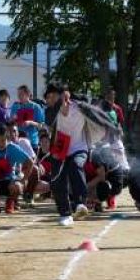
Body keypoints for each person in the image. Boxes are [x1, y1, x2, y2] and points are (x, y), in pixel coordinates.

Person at [49, 91, 89, 226]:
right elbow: (53, 131)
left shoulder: (81, 110)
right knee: (57, 180)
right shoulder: (55, 112)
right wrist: (53, 149)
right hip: (61, 150)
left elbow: (98, 121)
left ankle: (80, 203)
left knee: (76, 165)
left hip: (79, 148)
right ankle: (65, 214)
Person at [0, 125, 33, 214]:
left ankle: (11, 202)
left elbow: (30, 162)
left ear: (8, 139)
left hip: (10, 180)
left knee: (17, 186)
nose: (0, 143)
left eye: (3, 140)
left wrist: (23, 180)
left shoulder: (13, 148)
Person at [85, 146, 125, 212]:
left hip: (113, 172)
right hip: (96, 170)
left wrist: (87, 186)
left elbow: (101, 177)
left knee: (116, 190)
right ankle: (92, 199)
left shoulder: (94, 157)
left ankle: (99, 200)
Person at [10, 85, 46, 152]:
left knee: (32, 161)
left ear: (28, 94)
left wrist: (30, 122)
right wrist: (14, 119)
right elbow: (10, 123)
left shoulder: (36, 107)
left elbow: (42, 125)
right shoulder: (15, 106)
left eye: (21, 94)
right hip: (18, 140)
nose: (19, 97)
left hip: (32, 141)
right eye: (18, 95)